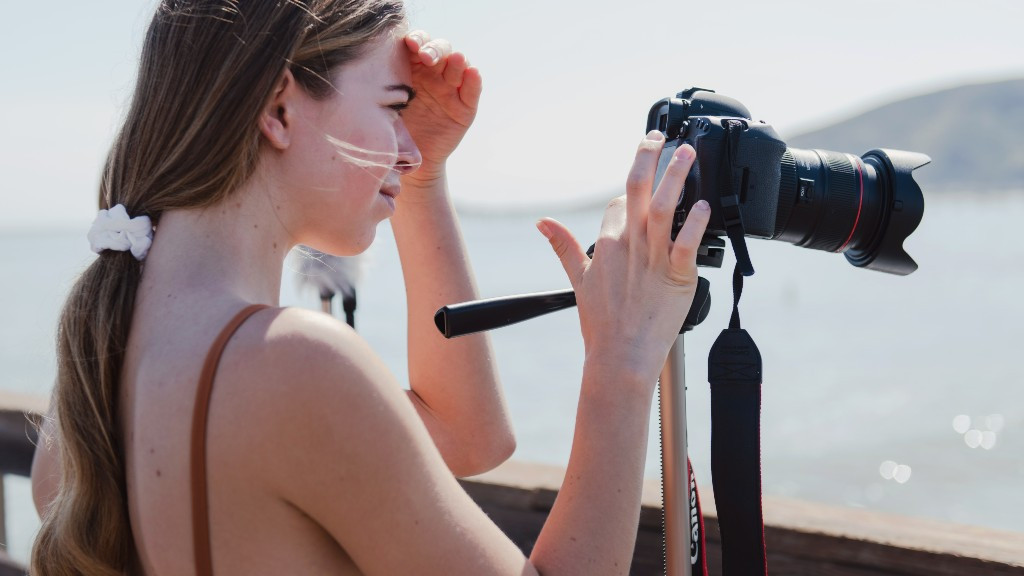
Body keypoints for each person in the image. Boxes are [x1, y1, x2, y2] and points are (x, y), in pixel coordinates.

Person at [29, 1, 710, 575]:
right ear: (278, 108)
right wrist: (623, 361)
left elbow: (468, 436)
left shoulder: (95, 379)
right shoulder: (289, 364)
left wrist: (423, 179)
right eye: (393, 107)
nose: (407, 149)